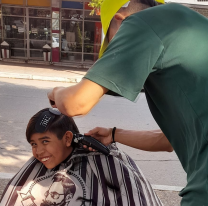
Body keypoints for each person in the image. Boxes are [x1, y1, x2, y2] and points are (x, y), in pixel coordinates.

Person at [47, 0, 208, 205]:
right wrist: (114, 134)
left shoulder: (142, 22)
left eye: (114, 43)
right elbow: (169, 141)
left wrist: (55, 91)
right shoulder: (188, 26)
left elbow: (76, 103)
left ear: (119, 21)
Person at [0, 108, 169, 206]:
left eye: (45, 141)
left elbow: (133, 196)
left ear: (67, 138)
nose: (38, 151)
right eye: (33, 144)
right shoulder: (38, 166)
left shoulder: (101, 160)